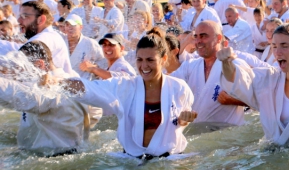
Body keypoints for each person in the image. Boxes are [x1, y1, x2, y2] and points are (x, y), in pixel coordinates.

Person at [63, 33, 197, 158]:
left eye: (150, 60)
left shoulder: (179, 88)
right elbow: (92, 88)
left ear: (164, 59)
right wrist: (59, 83)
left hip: (169, 159)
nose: (144, 66)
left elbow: (180, 122)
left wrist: (184, 119)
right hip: (133, 159)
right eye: (139, 60)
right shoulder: (125, 86)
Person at [219, 23, 289, 145]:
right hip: (274, 151)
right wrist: (226, 62)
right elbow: (236, 78)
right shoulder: (268, 78)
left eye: (284, 46)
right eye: (274, 46)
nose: (277, 52)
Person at [0, 41, 89, 156]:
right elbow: (96, 112)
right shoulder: (74, 80)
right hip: (64, 154)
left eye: (21, 68)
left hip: (52, 159)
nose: (17, 75)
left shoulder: (52, 86)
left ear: (39, 65)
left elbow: (24, 98)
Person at [172, 21, 248, 126]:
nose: (198, 41)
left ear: (218, 38)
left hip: (227, 132)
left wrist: (234, 100)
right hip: (196, 131)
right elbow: (167, 86)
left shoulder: (235, 64)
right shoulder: (189, 66)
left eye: (203, 36)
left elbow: (259, 98)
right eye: (196, 37)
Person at [18, 1, 73, 74]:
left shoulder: (44, 38)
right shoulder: (51, 36)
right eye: (19, 16)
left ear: (41, 20)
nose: (18, 20)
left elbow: (16, 62)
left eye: (24, 16)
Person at [63, 14, 104, 80]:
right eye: (67, 25)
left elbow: (104, 62)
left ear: (81, 27)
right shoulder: (60, 41)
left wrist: (92, 67)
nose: (70, 28)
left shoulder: (90, 43)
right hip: (62, 82)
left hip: (82, 83)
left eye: (73, 25)